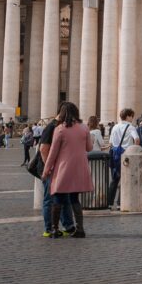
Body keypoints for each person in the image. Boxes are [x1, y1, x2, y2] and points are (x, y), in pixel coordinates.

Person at [41, 101, 94, 239]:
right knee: (75, 199)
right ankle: (80, 229)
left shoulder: (60, 129)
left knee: (57, 198)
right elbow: (89, 148)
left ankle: (54, 229)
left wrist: (46, 170)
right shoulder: (84, 128)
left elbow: (52, 153)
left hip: (63, 168)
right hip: (79, 168)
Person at [38, 112, 75, 237]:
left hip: (60, 169)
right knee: (50, 199)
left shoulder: (62, 128)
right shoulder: (51, 127)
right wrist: (49, 168)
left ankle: (68, 226)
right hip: (51, 170)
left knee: (64, 198)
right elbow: (43, 149)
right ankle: (49, 228)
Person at [107, 108, 140, 210]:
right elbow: (137, 140)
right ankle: (121, 203)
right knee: (125, 179)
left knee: (115, 179)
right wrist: (134, 150)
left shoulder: (115, 127)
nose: (132, 118)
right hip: (127, 155)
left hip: (115, 154)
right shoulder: (131, 127)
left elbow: (111, 143)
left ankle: (109, 203)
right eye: (132, 116)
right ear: (128, 116)